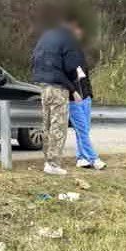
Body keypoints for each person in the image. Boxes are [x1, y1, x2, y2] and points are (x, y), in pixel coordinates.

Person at [31, 14, 88, 176]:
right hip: (58, 88)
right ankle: (53, 163)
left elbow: (34, 59)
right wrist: (73, 88)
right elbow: (71, 66)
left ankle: (47, 160)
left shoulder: (46, 37)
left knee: (47, 124)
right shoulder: (68, 39)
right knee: (59, 125)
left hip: (43, 86)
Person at [65, 21, 105, 170]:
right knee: (82, 129)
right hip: (73, 100)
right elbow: (64, 78)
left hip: (85, 98)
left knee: (84, 130)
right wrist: (72, 93)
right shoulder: (64, 56)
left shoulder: (80, 54)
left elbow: (85, 77)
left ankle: (82, 158)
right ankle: (93, 158)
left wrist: (89, 94)